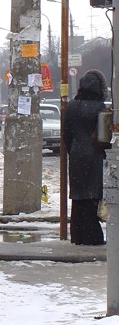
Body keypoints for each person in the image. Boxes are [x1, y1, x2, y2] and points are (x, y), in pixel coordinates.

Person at [63, 69, 108, 246]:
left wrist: (73, 149)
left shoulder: (71, 106)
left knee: (78, 198)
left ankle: (78, 235)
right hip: (95, 157)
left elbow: (66, 134)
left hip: (76, 155)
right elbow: (105, 136)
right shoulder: (101, 108)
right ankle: (93, 237)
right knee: (92, 198)